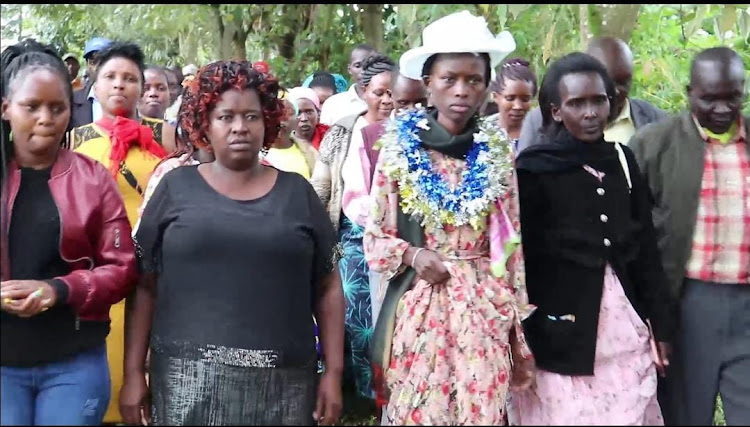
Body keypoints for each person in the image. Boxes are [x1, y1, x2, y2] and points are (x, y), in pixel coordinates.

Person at [119, 60, 345, 426]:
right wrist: (133, 374)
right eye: (226, 116)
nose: (240, 127)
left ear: (268, 121)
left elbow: (329, 284)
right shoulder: (175, 189)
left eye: (251, 116)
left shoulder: (297, 193)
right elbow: (143, 286)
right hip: (186, 385)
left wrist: (333, 372)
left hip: (284, 386)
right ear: (204, 123)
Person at [363, 11, 534, 425]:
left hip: (483, 306)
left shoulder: (496, 152)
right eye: (449, 79)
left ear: (486, 86)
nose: (462, 90)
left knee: (482, 412)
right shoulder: (398, 149)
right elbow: (375, 237)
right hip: (423, 306)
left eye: (473, 80)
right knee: (421, 410)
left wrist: (516, 333)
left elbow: (512, 246)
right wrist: (413, 256)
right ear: (428, 84)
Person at [509, 52, 676, 425]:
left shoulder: (622, 160)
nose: (590, 112)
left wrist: (661, 326)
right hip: (561, 330)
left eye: (598, 100)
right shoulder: (533, 169)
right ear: (555, 111)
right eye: (576, 103)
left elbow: (645, 249)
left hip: (624, 328)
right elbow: (522, 259)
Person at [0, 38, 137, 426]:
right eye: (32, 106)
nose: (46, 118)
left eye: (57, 108)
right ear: (6, 108)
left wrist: (58, 290)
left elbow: (122, 268)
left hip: (73, 363)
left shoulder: (93, 179)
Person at [630, 47, 750, 426]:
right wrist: (653, 320)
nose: (721, 108)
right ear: (689, 92)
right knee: (685, 415)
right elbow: (632, 235)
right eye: (708, 98)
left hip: (747, 305)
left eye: (732, 96)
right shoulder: (654, 144)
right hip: (685, 307)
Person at [70, 41, 172, 426]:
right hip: (101, 269)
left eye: (130, 78)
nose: (119, 85)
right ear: (94, 85)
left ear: (142, 86)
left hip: (158, 270)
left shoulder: (166, 135)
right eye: (110, 77)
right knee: (107, 359)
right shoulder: (75, 140)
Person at [311, 53, 396, 406]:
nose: (387, 100)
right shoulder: (344, 131)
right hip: (351, 237)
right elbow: (324, 186)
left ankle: (394, 393)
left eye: (393, 93)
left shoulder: (412, 129)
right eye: (379, 92)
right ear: (364, 93)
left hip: (398, 237)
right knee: (358, 318)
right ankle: (367, 392)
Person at [517, 37, 667, 153]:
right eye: (609, 82)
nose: (616, 91)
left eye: (624, 82)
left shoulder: (655, 121)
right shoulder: (539, 121)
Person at [319, 44, 377, 125]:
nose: (364, 71)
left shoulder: (386, 102)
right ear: (350, 70)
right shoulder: (333, 104)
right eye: (358, 66)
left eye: (370, 65)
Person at [487, 58, 537, 151]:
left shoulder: (540, 137)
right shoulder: (480, 133)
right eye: (510, 98)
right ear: (495, 96)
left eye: (525, 99)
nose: (518, 106)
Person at [263, 97, 318, 179]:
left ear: (296, 120)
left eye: (288, 114)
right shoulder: (257, 155)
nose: (281, 120)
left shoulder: (310, 153)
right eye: (275, 115)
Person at [70, 36, 112, 129]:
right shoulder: (72, 101)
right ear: (88, 65)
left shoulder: (127, 97)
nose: (98, 67)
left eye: (103, 61)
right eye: (93, 62)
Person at [288, 86, 330, 151]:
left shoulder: (330, 137)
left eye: (309, 112)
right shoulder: (282, 142)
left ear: (318, 113)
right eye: (298, 113)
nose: (304, 118)